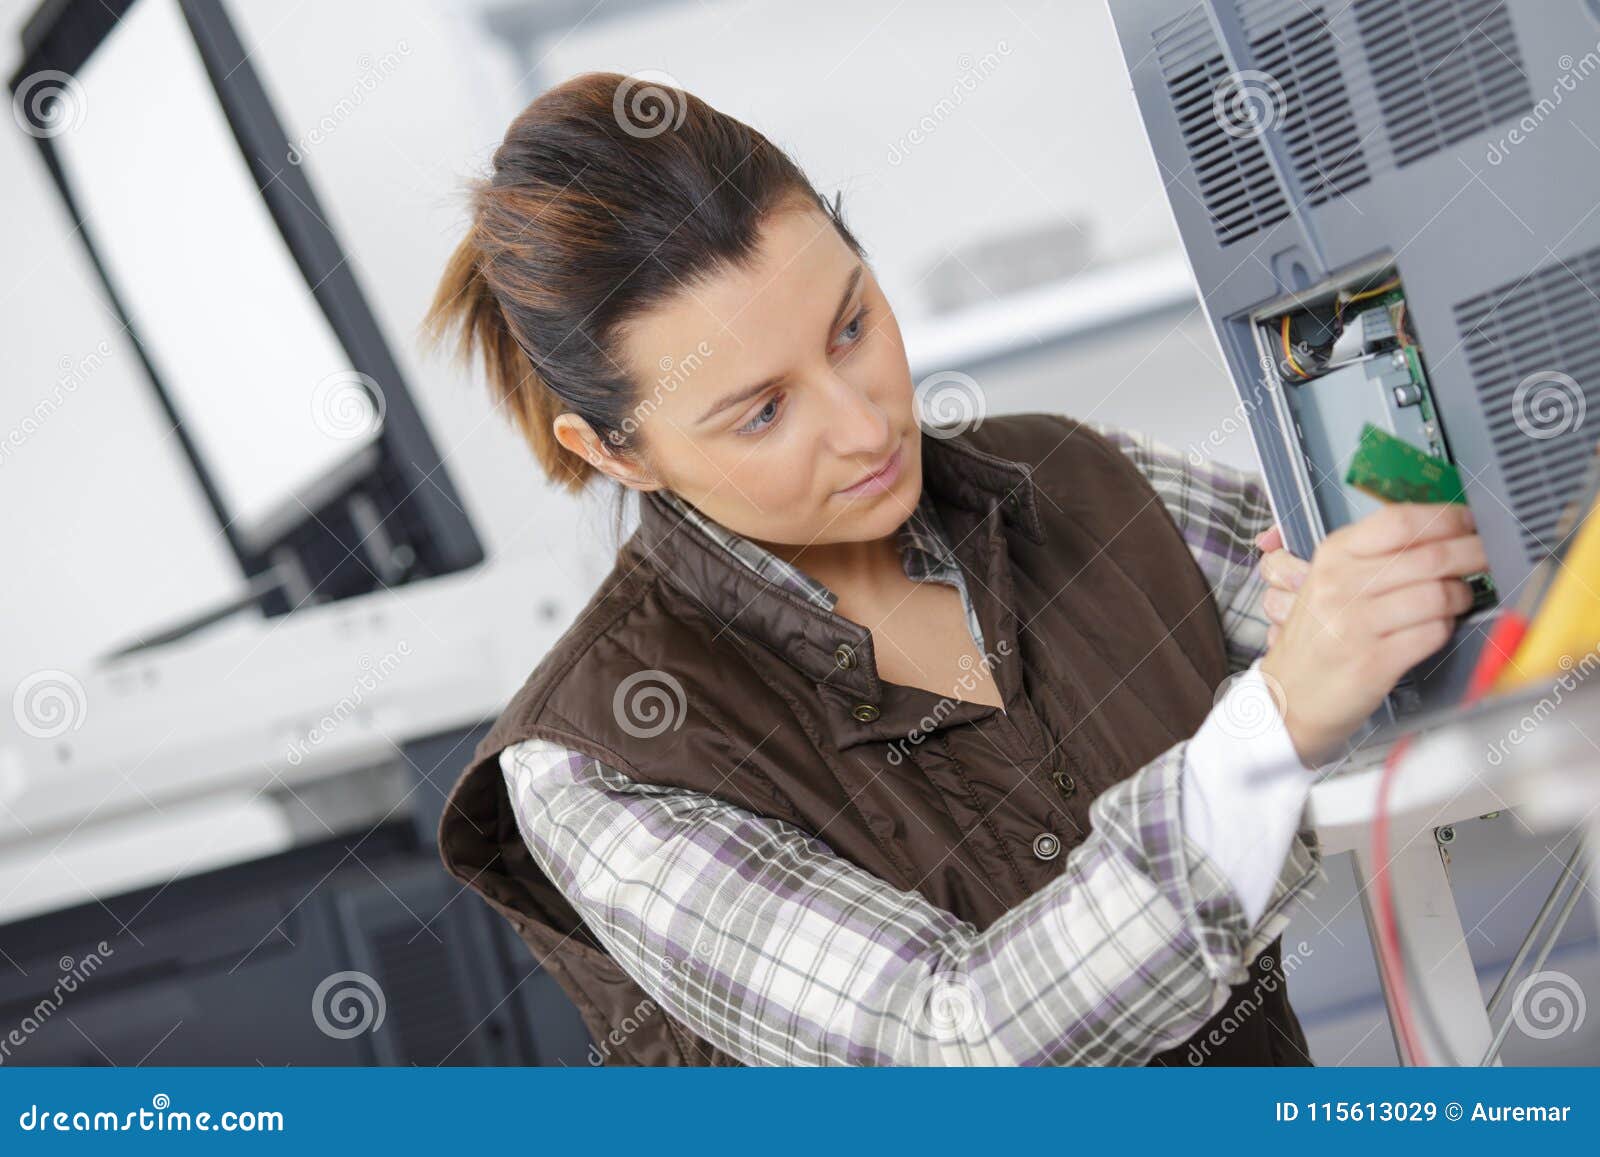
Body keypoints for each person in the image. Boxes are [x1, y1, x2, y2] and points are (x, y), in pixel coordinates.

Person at [426, 72, 1488, 1066]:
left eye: (850, 326)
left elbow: (1390, 652)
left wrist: (1390, 586)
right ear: (613, 450)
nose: (864, 424)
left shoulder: (1074, 479)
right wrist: (1270, 728)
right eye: (761, 410)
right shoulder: (600, 762)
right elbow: (954, 1046)